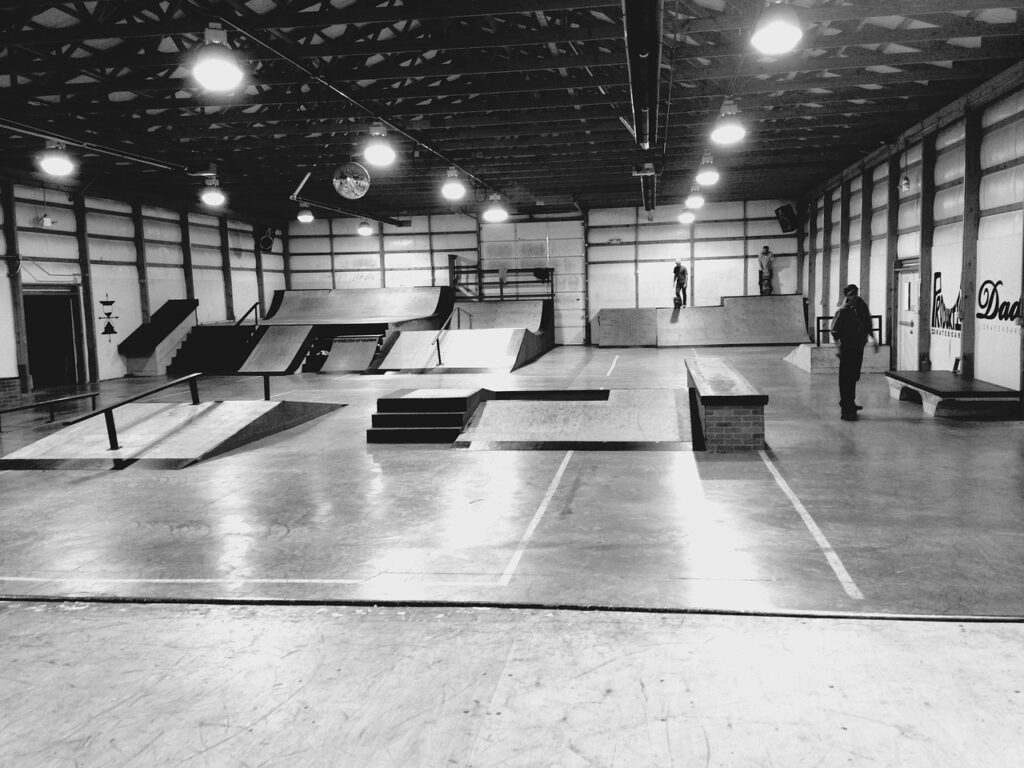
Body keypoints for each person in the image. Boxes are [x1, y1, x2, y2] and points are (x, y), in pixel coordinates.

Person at [830, 284, 878, 421]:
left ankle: (850, 401)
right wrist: (838, 348)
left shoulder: (862, 307)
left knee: (854, 375)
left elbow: (868, 324)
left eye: (856, 293)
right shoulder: (843, 311)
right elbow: (834, 331)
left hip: (859, 346)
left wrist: (874, 340)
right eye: (851, 295)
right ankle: (846, 407)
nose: (854, 296)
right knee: (846, 378)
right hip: (847, 348)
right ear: (847, 296)